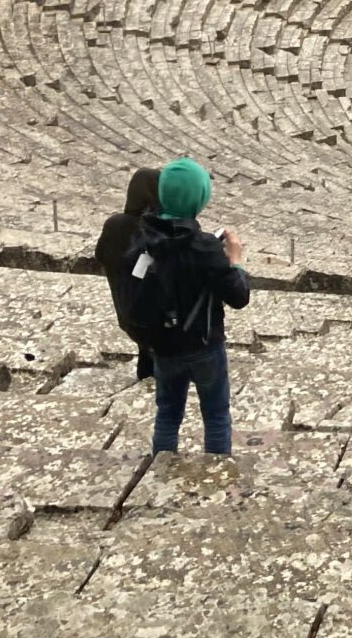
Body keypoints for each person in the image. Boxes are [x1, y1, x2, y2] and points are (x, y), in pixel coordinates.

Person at [139, 159, 252, 456]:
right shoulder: (206, 247)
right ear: (199, 198)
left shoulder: (145, 239)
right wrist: (236, 260)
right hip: (204, 344)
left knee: (167, 414)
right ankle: (216, 473)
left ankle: (160, 470)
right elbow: (239, 296)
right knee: (216, 416)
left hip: (163, 344)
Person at [95, 166, 162, 381]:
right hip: (154, 318)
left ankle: (145, 376)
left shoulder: (114, 224)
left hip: (125, 311)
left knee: (145, 347)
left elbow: (100, 255)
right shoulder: (156, 230)